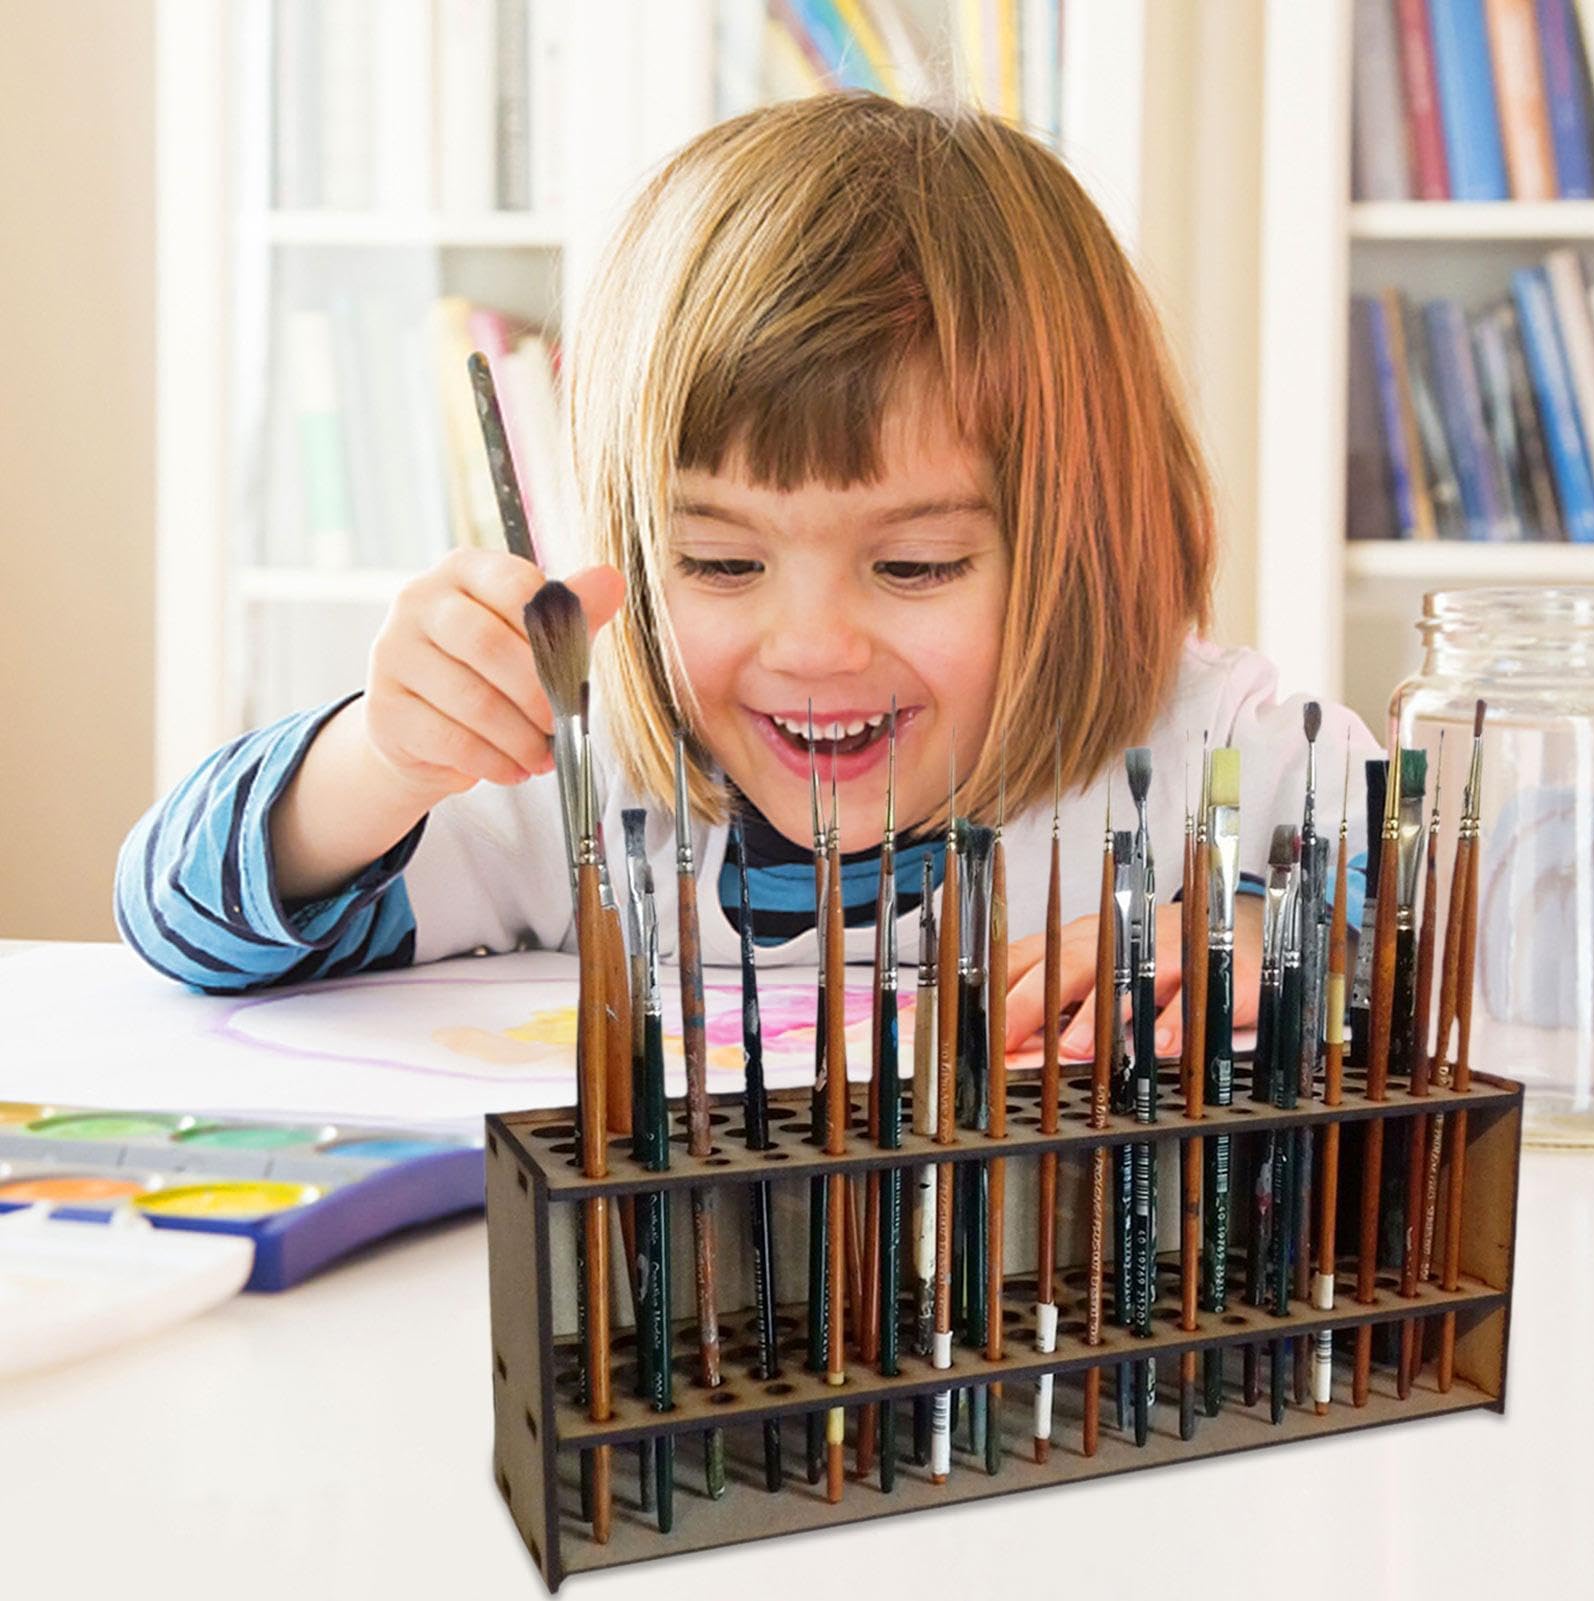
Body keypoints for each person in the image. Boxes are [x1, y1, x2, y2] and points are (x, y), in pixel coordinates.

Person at [116, 94, 1376, 1057]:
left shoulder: (1199, 750)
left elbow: (1498, 936)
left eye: (913, 562)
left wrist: (1266, 944)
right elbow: (177, 921)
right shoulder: (588, 769)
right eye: (717, 559)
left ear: (1083, 537)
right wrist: (383, 759)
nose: (810, 643)